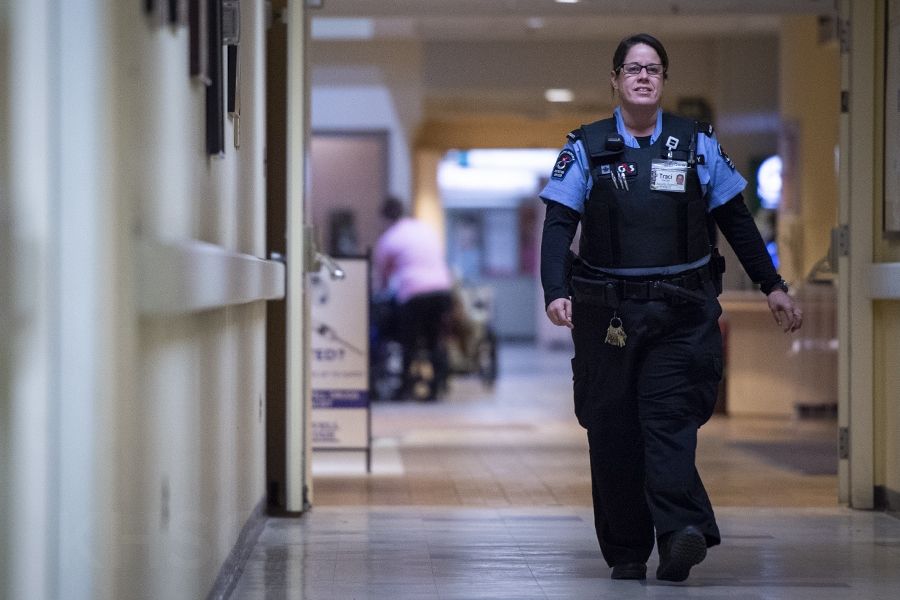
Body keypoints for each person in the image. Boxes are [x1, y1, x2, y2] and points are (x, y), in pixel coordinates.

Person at [539, 33, 803, 583]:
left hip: (680, 312)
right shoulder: (585, 147)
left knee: (667, 421)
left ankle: (681, 532)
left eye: (653, 69)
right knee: (612, 429)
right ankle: (627, 550)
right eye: (632, 69)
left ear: (663, 81)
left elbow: (736, 219)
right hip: (607, 315)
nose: (643, 77)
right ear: (614, 79)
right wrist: (554, 289)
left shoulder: (696, 143)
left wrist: (772, 284)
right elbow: (559, 223)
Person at [373, 196, 454, 400]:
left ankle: (405, 389)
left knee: (408, 342)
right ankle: (436, 389)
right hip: (442, 289)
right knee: (434, 340)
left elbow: (383, 277)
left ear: (384, 218)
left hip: (414, 294)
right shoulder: (424, 229)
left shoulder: (389, 238)